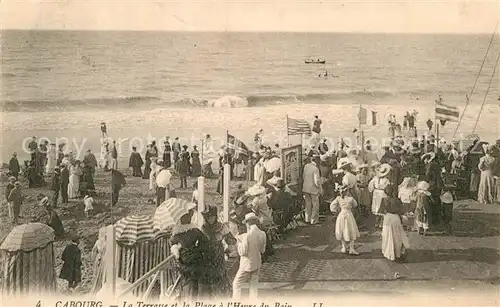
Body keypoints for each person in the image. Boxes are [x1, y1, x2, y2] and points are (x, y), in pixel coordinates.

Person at [170, 208, 210, 300]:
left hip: (183, 259)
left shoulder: (176, 232)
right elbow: (205, 242)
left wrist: (177, 252)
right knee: (194, 283)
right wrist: (197, 249)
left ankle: (187, 300)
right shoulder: (194, 230)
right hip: (195, 258)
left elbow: (172, 244)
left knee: (186, 282)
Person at [200, 206, 237, 298]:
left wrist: (228, 250)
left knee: (220, 274)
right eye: (208, 217)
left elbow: (232, 240)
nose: (210, 219)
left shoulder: (221, 226)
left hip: (218, 254)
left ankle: (221, 295)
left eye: (211, 216)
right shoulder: (203, 228)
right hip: (207, 254)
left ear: (215, 216)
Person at [232, 212, 267, 299]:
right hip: (257, 262)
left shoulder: (247, 236)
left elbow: (242, 252)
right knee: (253, 286)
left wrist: (238, 243)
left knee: (236, 284)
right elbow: (262, 250)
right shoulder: (263, 233)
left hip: (246, 264)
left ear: (248, 223)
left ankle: (235, 303)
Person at [380, 185, 409, 261]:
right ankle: (397, 253)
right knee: (397, 236)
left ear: (385, 192)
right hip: (395, 218)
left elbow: (381, 211)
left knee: (387, 235)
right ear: (393, 191)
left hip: (387, 218)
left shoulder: (383, 200)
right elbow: (402, 211)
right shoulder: (397, 200)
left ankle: (388, 252)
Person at [329, 184, 360, 255]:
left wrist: (335, 210)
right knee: (351, 230)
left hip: (341, 215)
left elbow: (332, 205)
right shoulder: (350, 199)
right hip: (349, 215)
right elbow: (355, 205)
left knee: (342, 230)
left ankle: (344, 247)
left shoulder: (338, 198)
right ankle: (351, 248)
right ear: (347, 191)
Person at [302, 155, 322, 225]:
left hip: (306, 187)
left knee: (307, 204)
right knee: (315, 205)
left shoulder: (306, 166)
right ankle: (314, 220)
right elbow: (317, 181)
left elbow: (304, 176)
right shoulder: (315, 169)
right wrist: (320, 188)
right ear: (317, 161)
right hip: (313, 189)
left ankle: (307, 218)